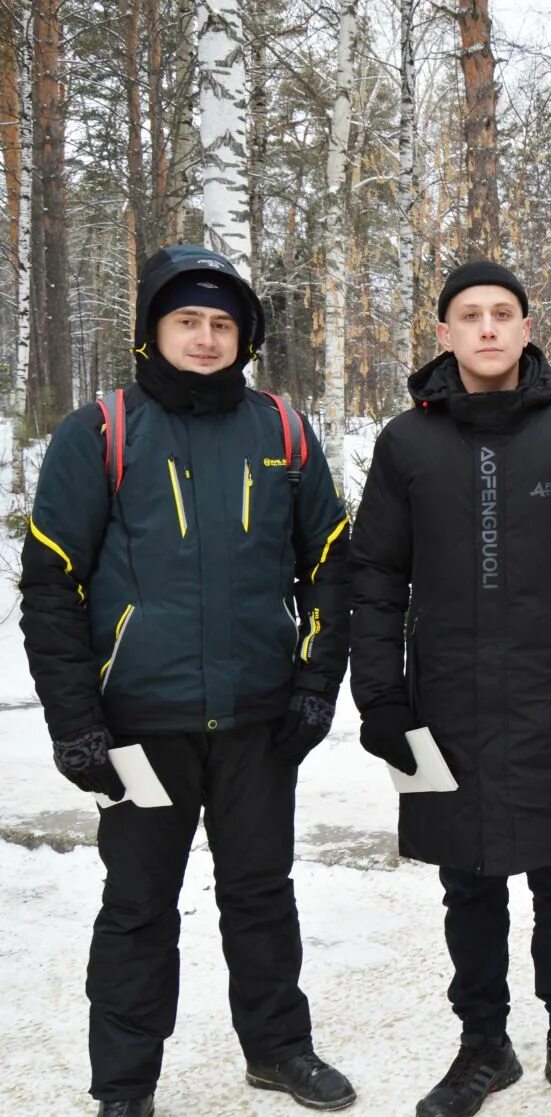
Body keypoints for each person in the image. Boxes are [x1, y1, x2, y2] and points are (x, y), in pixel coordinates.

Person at [19, 244, 356, 1116]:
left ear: (243, 337)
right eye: (187, 321)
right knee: (137, 909)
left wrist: (317, 683)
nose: (206, 338)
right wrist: (75, 724)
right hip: (139, 726)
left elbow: (329, 561)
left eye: (222, 323)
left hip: (257, 719)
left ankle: (278, 1048)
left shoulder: (281, 428)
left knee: (262, 895)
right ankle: (125, 1086)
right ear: (152, 330)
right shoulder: (100, 431)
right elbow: (53, 585)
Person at [349, 260, 551, 1117]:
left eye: (503, 313)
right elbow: (373, 577)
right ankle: (483, 1042)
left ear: (527, 329)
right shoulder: (405, 444)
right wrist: (382, 700)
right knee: (467, 882)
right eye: (469, 315)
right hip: (443, 706)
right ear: (443, 334)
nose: (487, 328)